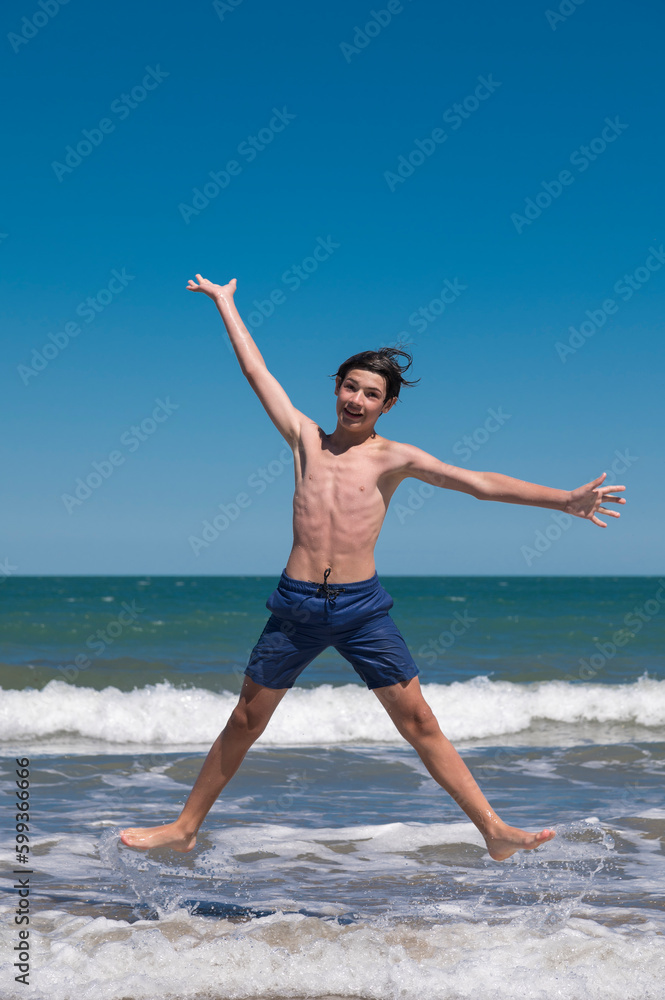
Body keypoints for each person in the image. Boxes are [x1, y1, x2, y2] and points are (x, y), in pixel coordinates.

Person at [120, 274, 626, 861]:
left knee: (419, 723)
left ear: (387, 404)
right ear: (336, 388)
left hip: (361, 608)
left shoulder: (394, 457)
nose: (356, 400)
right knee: (245, 720)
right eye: (350, 387)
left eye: (370, 394)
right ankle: (184, 825)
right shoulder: (305, 439)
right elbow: (256, 373)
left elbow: (479, 484)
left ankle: (494, 830)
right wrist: (227, 304)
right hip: (297, 605)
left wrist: (563, 500)